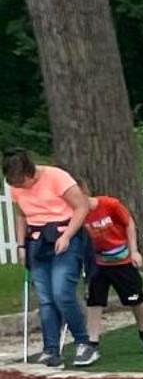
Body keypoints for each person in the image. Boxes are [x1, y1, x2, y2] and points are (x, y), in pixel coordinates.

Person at [4, 148, 95, 367]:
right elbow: (21, 215)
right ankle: (51, 350)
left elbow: (82, 206)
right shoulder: (15, 187)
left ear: (30, 171)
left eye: (20, 181)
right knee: (45, 298)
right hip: (36, 241)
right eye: (13, 182)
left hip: (65, 235)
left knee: (62, 292)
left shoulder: (56, 177)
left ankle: (84, 343)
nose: (18, 186)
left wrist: (67, 236)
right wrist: (20, 245)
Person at [80, 189, 143, 355]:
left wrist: (134, 251)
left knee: (135, 299)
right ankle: (92, 342)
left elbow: (129, 223)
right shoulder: (76, 214)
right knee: (94, 301)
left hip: (122, 261)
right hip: (97, 264)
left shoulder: (110, 205)